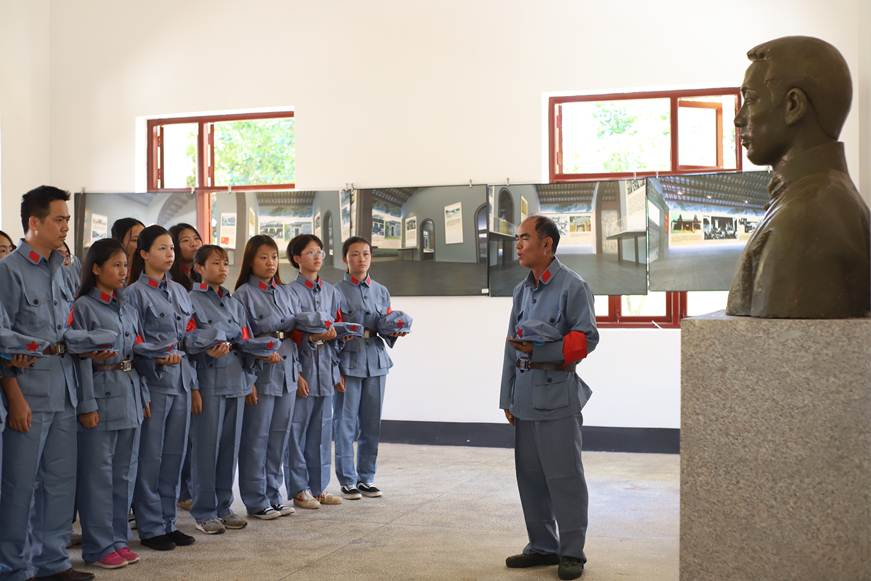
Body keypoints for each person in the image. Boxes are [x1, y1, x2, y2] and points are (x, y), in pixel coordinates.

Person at [727, 36, 870, 318]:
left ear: (793, 105)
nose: (739, 118)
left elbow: (782, 331)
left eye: (751, 99)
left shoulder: (806, 215)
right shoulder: (821, 199)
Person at [0, 186, 94, 581]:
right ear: (34, 223)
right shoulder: (9, 271)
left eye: (67, 219)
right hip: (29, 389)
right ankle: (13, 566)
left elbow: (67, 328)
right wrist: (14, 396)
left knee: (59, 482)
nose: (65, 226)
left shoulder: (63, 270)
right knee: (20, 484)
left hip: (64, 386)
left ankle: (52, 562)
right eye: (59, 219)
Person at [499, 215, 599, 581]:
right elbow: (510, 346)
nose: (518, 245)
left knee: (565, 477)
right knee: (530, 477)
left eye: (525, 238)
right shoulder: (521, 291)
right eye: (517, 238)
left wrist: (543, 350)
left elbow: (587, 338)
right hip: (525, 397)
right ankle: (542, 545)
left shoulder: (573, 286)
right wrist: (507, 396)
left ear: (547, 244)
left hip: (557, 396)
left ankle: (571, 552)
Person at [185, 244, 280, 534]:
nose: (223, 268)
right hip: (209, 382)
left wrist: (250, 380)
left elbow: (245, 342)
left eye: (225, 263)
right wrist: (194, 387)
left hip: (236, 382)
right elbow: (187, 344)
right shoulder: (190, 301)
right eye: (215, 263)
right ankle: (204, 511)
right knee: (206, 450)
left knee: (229, 449)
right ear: (199, 268)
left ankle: (224, 506)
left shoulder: (234, 303)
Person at [70, 238, 150, 569]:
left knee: (124, 473)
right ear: (96, 269)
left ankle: (118, 539)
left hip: (129, 393)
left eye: (125, 265)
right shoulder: (84, 307)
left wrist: (144, 396)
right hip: (101, 395)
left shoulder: (126, 307)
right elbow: (80, 360)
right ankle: (98, 545)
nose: (122, 271)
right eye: (115, 265)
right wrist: (86, 404)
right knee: (98, 476)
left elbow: (138, 353)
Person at [125, 225, 198, 552]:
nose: (169, 254)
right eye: (161, 248)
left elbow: (188, 336)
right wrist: (152, 363)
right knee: (150, 457)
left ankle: (168, 522)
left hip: (181, 379)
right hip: (153, 382)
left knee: (174, 456)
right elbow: (133, 342)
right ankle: (151, 526)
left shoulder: (181, 291)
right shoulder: (134, 294)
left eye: (171, 248)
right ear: (143, 254)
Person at [333, 237, 405, 499]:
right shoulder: (335, 292)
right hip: (348, 362)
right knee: (345, 424)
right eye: (355, 254)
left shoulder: (381, 291)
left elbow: (386, 324)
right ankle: (348, 480)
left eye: (365, 254)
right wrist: (334, 369)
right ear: (345, 259)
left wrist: (396, 330)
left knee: (371, 424)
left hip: (376, 360)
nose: (361, 259)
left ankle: (366, 478)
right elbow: (331, 332)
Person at [234, 235, 300, 520]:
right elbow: (241, 341)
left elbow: (295, 330)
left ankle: (274, 494)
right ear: (251, 261)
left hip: (287, 371)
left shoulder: (285, 292)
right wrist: (248, 380)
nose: (270, 262)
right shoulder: (243, 295)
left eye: (273, 256)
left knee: (278, 437)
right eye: (263, 257)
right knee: (256, 438)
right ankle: (256, 499)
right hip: (261, 373)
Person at [285, 234, 345, 509]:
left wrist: (337, 367)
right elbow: (288, 334)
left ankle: (319, 487)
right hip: (303, 366)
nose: (317, 256)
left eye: (319, 251)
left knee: (322, 431)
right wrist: (296, 373)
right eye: (310, 252)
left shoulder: (332, 292)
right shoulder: (288, 292)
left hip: (326, 367)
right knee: (296, 430)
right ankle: (299, 489)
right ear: (297, 258)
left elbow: (339, 328)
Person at [168, 223, 203, 510]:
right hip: (180, 361)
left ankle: (191, 487)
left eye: (196, 238)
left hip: (205, 360)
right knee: (179, 434)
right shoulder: (172, 283)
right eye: (185, 240)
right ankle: (181, 490)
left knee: (197, 433)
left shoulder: (204, 277)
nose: (193, 243)